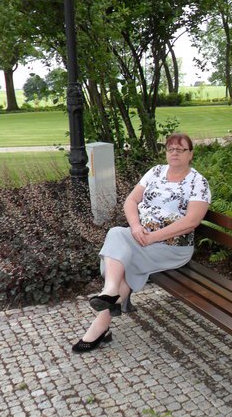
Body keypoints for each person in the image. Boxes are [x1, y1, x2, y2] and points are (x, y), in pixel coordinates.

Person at [72, 133, 211, 353]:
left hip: (172, 247)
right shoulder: (155, 172)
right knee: (117, 232)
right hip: (141, 237)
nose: (174, 153)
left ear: (190, 154)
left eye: (180, 149)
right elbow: (131, 200)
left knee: (125, 260)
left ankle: (101, 324)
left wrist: (154, 237)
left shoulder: (198, 182)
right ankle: (111, 292)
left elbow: (191, 222)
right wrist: (136, 227)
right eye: (170, 149)